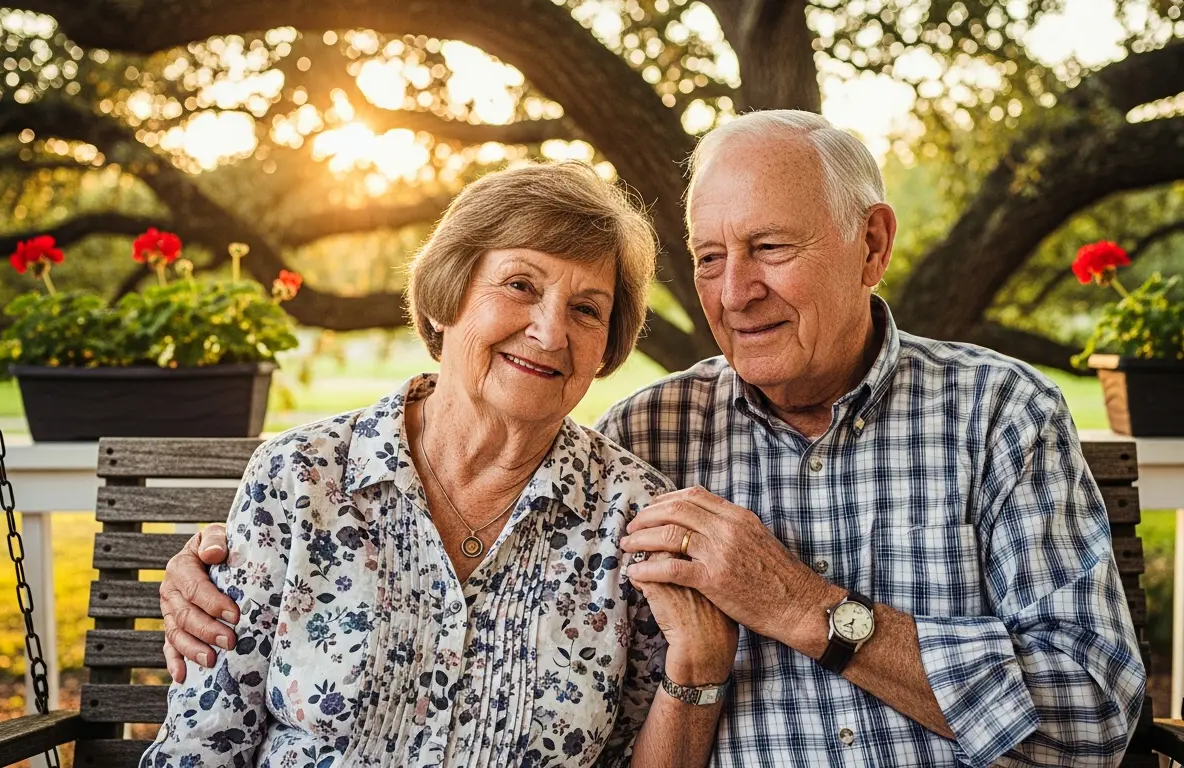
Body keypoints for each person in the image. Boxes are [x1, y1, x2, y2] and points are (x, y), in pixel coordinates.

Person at [160, 111, 1148, 767]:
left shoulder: (996, 417)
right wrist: (208, 563)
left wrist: (808, 610)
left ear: (872, 245)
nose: (732, 292)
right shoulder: (645, 441)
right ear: (447, 295)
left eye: (769, 247)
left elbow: (1096, 717)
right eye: (711, 257)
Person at [140, 161, 739, 768]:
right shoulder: (300, 478)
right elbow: (203, 744)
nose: (550, 331)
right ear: (447, 297)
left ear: (607, 345)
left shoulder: (632, 518)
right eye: (520, 286)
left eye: (587, 310)